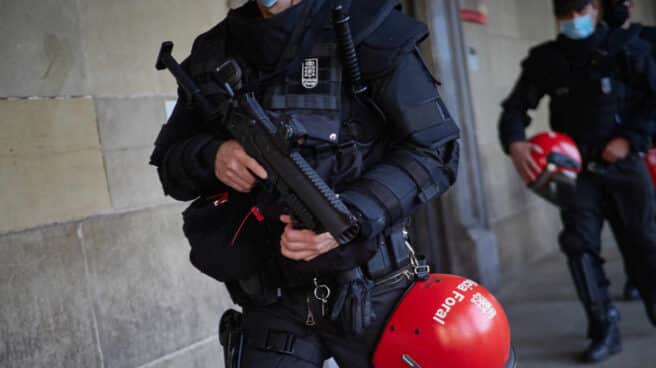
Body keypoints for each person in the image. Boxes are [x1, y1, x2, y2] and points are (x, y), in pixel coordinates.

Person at [150, 0, 460, 367]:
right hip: (273, 303)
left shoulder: (366, 27)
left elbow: (435, 150)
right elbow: (170, 165)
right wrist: (212, 155)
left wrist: (349, 219)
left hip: (373, 292)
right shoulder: (214, 52)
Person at [498, 0, 656, 363]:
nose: (572, 20)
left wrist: (630, 139)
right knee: (578, 245)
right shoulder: (549, 58)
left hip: (625, 166)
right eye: (564, 14)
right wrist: (515, 141)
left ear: (595, 8)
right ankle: (604, 328)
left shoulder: (627, 47)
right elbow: (515, 108)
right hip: (575, 172)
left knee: (643, 242)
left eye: (578, 11)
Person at [603, 0, 656, 301]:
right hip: (619, 151)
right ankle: (638, 276)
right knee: (631, 224)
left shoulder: (649, 39)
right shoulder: (598, 46)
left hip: (647, 141)